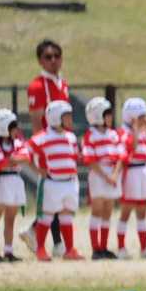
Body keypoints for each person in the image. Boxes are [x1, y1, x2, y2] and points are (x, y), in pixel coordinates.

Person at [20, 39, 70, 256]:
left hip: (62, 144)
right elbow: (36, 121)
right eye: (48, 57)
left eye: (57, 56)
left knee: (59, 195)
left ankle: (50, 239)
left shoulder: (62, 83)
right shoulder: (37, 86)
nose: (53, 61)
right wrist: (40, 151)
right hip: (49, 147)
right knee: (52, 194)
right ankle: (48, 239)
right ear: (40, 60)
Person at [27, 100, 84, 261]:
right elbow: (26, 152)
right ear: (55, 117)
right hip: (52, 183)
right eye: (66, 116)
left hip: (70, 182)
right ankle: (40, 249)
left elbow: (75, 155)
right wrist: (37, 170)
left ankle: (69, 249)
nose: (70, 119)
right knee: (46, 216)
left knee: (67, 215)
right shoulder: (41, 138)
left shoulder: (71, 137)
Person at [116, 98, 146, 259]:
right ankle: (121, 247)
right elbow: (131, 148)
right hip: (131, 172)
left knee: (142, 213)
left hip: (144, 170)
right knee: (126, 212)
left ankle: (144, 248)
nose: (144, 120)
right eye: (140, 117)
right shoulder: (123, 132)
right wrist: (135, 129)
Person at [81, 97, 123, 259]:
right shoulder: (90, 135)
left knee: (108, 212)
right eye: (107, 114)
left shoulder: (113, 134)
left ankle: (104, 247)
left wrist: (115, 174)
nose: (110, 117)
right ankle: (95, 249)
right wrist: (106, 177)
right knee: (97, 210)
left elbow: (121, 156)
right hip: (99, 175)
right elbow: (90, 160)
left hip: (113, 173)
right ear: (98, 116)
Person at [0, 109, 29, 262]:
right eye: (13, 126)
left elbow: (26, 156)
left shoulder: (16, 142)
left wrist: (9, 160)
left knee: (10, 219)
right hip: (1, 181)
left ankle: (8, 251)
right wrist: (13, 160)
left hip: (15, 181)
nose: (16, 129)